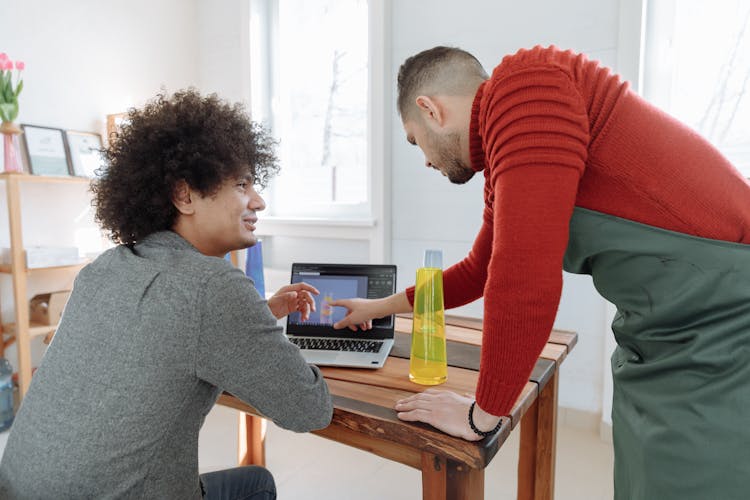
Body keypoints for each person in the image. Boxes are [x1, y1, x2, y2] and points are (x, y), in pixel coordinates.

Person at [330, 45, 750, 499]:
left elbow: (522, 277)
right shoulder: (505, 158)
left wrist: (482, 414)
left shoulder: (526, 87)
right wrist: (378, 306)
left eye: (416, 142)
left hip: (726, 321)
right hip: (670, 331)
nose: (426, 161)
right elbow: (479, 270)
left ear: (430, 110)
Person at [0, 89, 333, 499]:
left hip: (17, 488)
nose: (258, 201)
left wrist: (258, 314)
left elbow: (153, 337)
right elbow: (310, 410)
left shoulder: (104, 267)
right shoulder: (214, 287)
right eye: (243, 184)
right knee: (257, 483)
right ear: (183, 195)